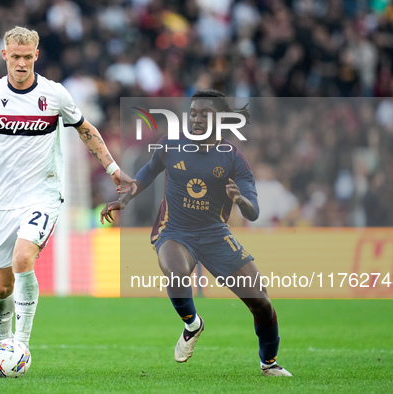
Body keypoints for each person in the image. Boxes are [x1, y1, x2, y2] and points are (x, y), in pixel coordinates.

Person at [0, 26, 131, 374]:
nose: (22, 63)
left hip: (43, 195)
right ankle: (3, 343)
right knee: (1, 286)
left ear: (36, 56)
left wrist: (112, 168)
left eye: (28, 57)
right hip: (1, 203)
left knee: (23, 259)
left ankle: (21, 345)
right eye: (16, 56)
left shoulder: (55, 95)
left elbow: (87, 129)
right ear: (4, 56)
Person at [101, 89, 292, 377]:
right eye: (193, 113)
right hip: (174, 231)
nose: (197, 119)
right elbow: (149, 171)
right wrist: (125, 198)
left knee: (261, 303)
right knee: (176, 273)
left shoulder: (233, 158)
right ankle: (192, 324)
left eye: (205, 114)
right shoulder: (171, 145)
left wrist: (240, 200)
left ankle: (269, 363)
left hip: (215, 234)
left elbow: (253, 212)